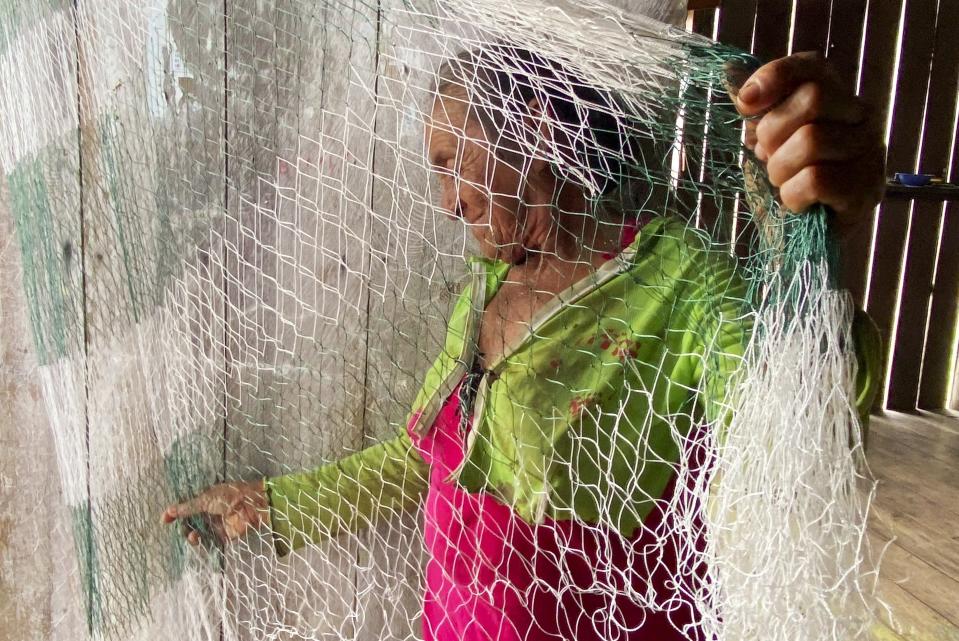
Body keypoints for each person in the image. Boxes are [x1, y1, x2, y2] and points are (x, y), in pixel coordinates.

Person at [162, 46, 885, 641]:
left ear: (534, 127)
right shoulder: (481, 293)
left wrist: (813, 249)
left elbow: (792, 415)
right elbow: (427, 457)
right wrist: (271, 502)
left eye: (450, 160)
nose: (446, 202)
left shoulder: (677, 281)